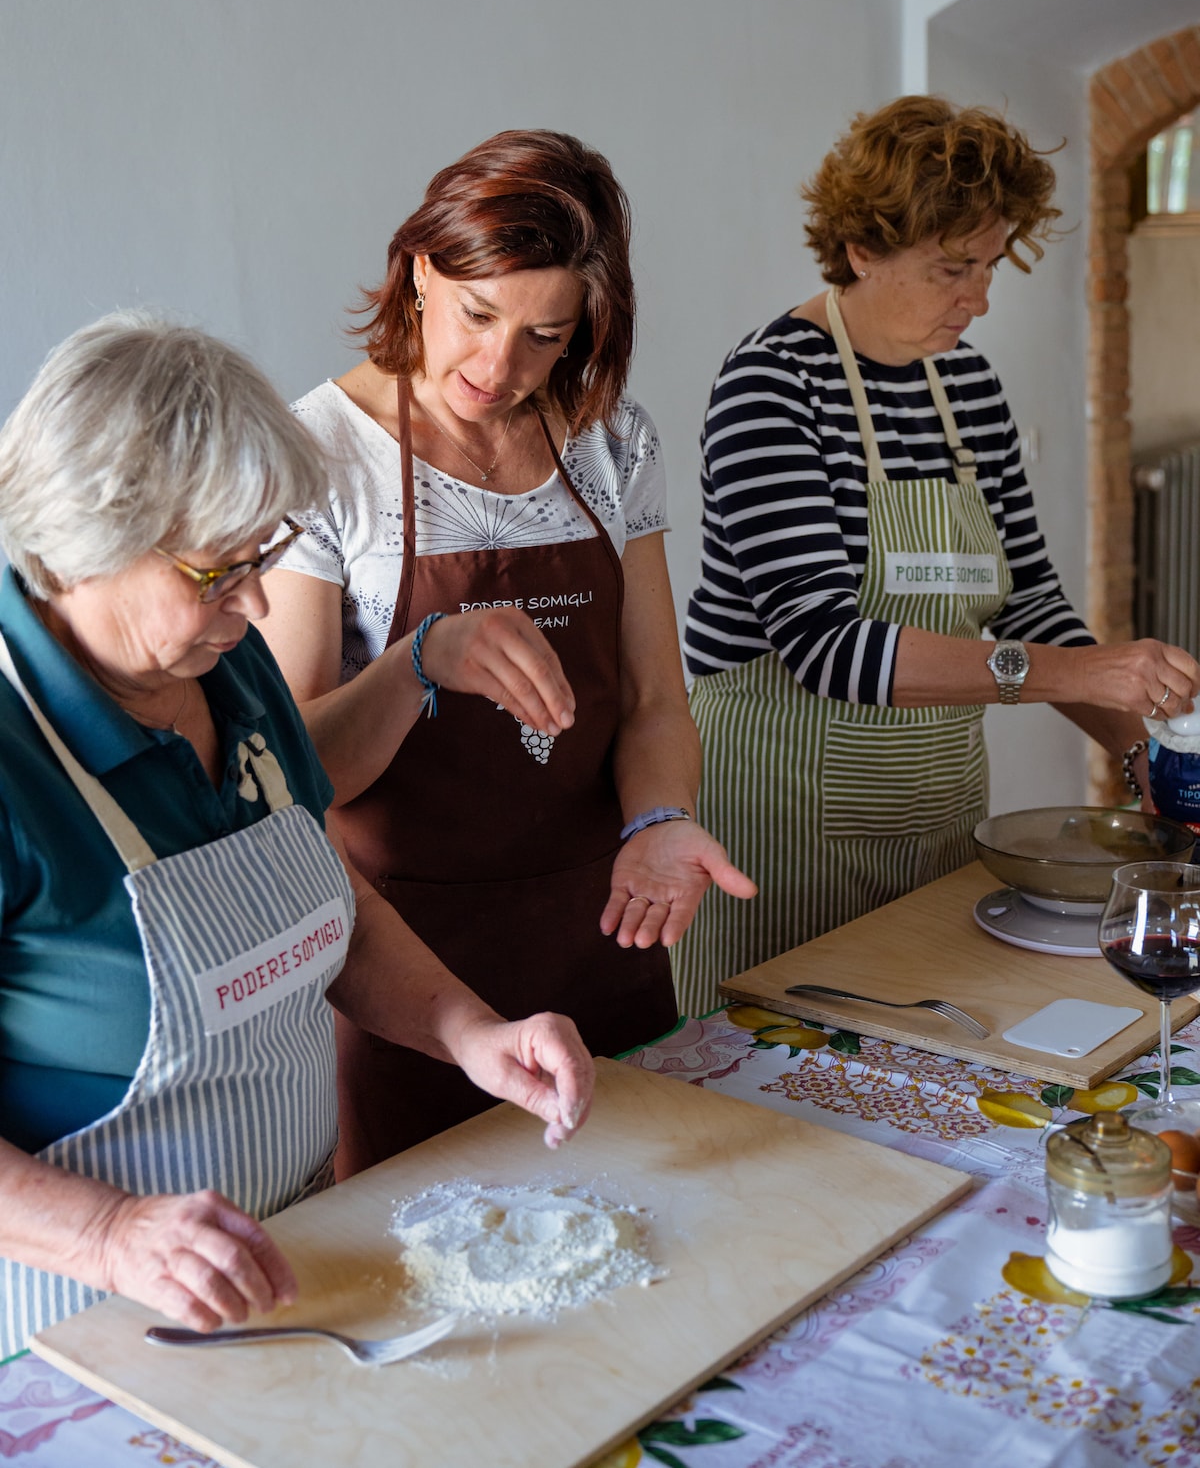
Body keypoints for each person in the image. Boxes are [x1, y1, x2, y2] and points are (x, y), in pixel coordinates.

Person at [0, 313, 594, 1356]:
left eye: (259, 557)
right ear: (84, 542)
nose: (257, 601)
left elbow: (322, 902)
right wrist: (107, 1232)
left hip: (300, 1261)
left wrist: (471, 1034)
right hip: (85, 1325)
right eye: (216, 573)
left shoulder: (223, 668)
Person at [258, 129, 754, 1173]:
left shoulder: (613, 445)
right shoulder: (320, 456)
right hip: (411, 969)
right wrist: (419, 660)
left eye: (545, 336)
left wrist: (662, 819)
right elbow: (294, 769)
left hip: (606, 925)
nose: (499, 366)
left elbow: (659, 698)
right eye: (480, 315)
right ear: (421, 270)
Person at [673, 96, 1200, 1016]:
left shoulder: (969, 385)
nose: (980, 296)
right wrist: (1084, 671)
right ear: (863, 248)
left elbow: (1028, 600)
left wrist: (1147, 751)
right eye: (953, 266)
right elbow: (827, 645)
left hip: (940, 827)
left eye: (990, 265)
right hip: (781, 842)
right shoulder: (772, 382)